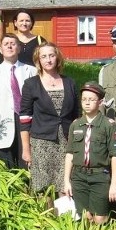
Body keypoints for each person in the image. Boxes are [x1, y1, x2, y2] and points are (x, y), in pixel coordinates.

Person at [20, 42, 79, 196]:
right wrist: (26, 149)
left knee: (65, 184)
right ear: (38, 60)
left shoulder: (70, 82)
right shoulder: (31, 84)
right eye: (44, 56)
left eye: (51, 55)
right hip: (41, 143)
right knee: (43, 188)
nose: (48, 60)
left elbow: (76, 116)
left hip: (66, 142)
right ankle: (45, 218)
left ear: (57, 57)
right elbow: (25, 118)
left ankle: (65, 218)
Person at [64, 82, 116, 225]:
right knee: (85, 217)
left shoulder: (109, 125)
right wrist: (66, 181)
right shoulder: (75, 125)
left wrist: (114, 183)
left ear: (100, 102)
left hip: (100, 176)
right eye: (84, 99)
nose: (87, 103)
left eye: (91, 99)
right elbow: (70, 154)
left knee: (100, 218)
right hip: (79, 177)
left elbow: (115, 155)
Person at [0, 34, 37, 168]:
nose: (10, 46)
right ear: (0, 49)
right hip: (3, 127)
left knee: (28, 167)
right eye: (6, 44)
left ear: (19, 48)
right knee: (6, 169)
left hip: (27, 124)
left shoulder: (32, 71)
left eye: (13, 43)